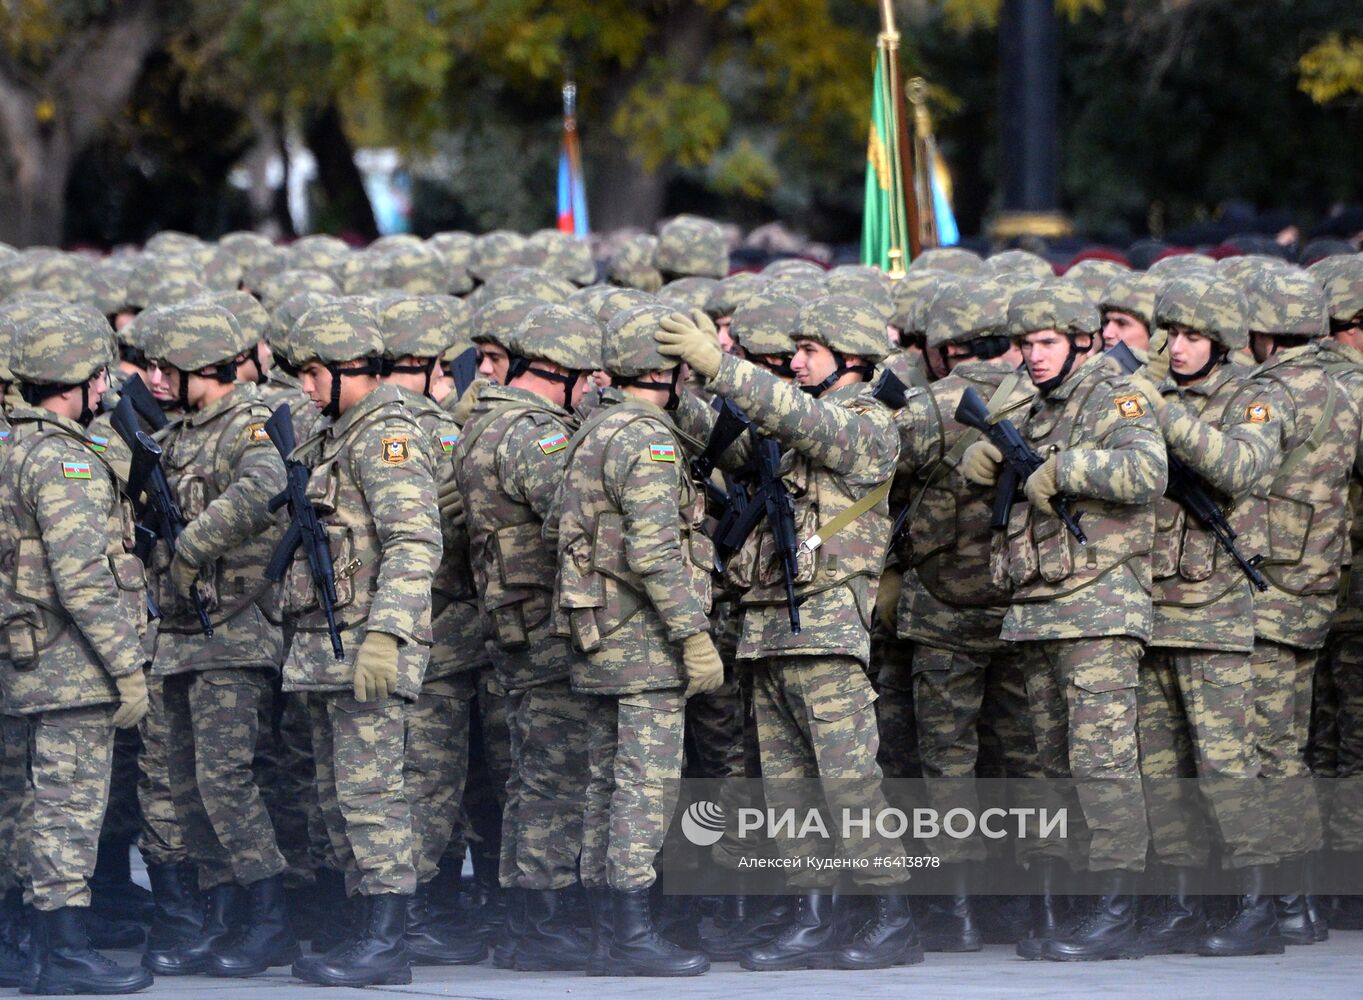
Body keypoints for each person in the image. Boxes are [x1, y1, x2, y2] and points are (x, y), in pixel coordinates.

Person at [657, 294, 920, 972]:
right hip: (769, 626)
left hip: (827, 628)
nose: (796, 360)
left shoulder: (867, 427)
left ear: (851, 359)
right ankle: (815, 912)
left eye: (810, 351)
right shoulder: (796, 429)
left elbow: (795, 416)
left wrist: (719, 364)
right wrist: (667, 385)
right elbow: (725, 437)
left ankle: (889, 915)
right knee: (787, 790)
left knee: (847, 783)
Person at [960, 279, 1166, 961]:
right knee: (1043, 765)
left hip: (1099, 607)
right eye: (1023, 344)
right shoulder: (1025, 393)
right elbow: (976, 461)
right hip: (1037, 608)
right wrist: (984, 458)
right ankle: (1065, 898)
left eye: (1045, 342)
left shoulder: (1115, 393)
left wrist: (1065, 464)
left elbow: (1146, 472)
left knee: (1102, 763)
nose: (1032, 355)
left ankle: (1117, 907)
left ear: (1081, 340)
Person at [554, 302, 720, 977]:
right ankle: (631, 928)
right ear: (668, 371)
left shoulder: (594, 428)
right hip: (641, 641)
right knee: (643, 787)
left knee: (603, 783)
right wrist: (693, 637)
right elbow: (654, 552)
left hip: (596, 634)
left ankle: (605, 928)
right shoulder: (647, 439)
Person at [280, 301, 441, 987]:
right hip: (323, 645)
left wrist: (387, 634)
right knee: (335, 797)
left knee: (372, 794)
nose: (306, 389)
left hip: (367, 644)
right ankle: (359, 930)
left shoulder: (386, 435)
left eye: (315, 374)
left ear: (352, 370)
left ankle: (386, 941)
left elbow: (415, 538)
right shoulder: (334, 435)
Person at [1123, 275, 1285, 956]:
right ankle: (1183, 899)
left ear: (1221, 340)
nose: (1178, 347)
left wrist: (1161, 412)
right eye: (1171, 335)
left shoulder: (1253, 397)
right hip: (1148, 604)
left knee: (1224, 768)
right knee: (1159, 770)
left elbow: (1239, 470)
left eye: (1193, 336)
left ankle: (1255, 903)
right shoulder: (1149, 394)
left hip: (1213, 607)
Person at [135, 300, 296, 977]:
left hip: (231, 630)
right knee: (186, 785)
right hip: (177, 633)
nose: (154, 377)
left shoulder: (249, 423)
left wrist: (191, 546)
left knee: (226, 781)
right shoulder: (177, 433)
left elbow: (266, 487)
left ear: (203, 364)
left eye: (165, 365)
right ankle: (222, 912)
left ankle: (267, 918)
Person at [0, 304, 154, 994]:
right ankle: (62, 954)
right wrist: (126, 666)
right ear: (80, 382)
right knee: (67, 807)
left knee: (23, 804)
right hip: (70, 668)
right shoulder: (65, 460)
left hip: (21, 658)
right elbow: (84, 577)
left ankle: (25, 944)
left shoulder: (9, 448)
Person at [888, 277, 1037, 952]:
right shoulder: (1043, 397)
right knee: (1022, 755)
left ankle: (957, 910)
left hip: (940, 608)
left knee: (946, 763)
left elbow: (875, 475)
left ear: (945, 348)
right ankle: (1027, 900)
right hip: (1023, 607)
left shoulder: (924, 405)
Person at [455, 302, 603, 971]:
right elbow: (579, 515)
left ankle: (527, 915)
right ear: (558, 372)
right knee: (555, 775)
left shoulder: (484, 425)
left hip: (514, 621)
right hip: (546, 626)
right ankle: (541, 921)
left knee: (531, 775)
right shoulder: (534, 435)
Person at [1241, 263, 1363, 945]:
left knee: (1269, 746)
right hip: (1320, 584)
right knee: (1291, 743)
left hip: (1267, 587)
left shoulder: (1271, 391)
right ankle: (1301, 896)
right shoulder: (1348, 388)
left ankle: (1289, 899)